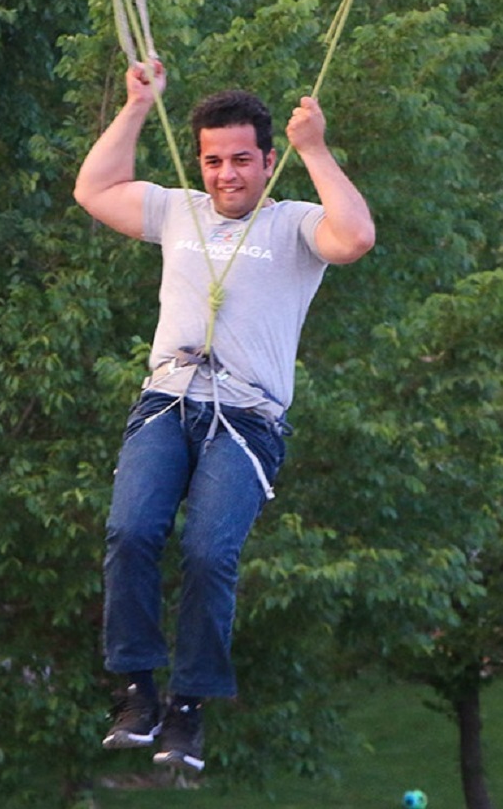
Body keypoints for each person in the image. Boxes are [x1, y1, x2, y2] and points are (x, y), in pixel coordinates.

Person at [73, 59, 374, 773]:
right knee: (130, 530)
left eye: (241, 160)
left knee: (209, 552)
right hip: (167, 402)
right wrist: (136, 107)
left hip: (245, 419)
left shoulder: (295, 224)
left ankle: (188, 707)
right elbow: (93, 190)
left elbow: (356, 237)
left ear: (267, 162)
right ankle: (137, 691)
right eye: (213, 161)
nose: (226, 175)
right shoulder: (178, 211)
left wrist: (314, 148)